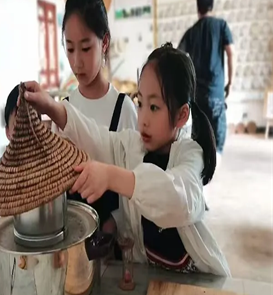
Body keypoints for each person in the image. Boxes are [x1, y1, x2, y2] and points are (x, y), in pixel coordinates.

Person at [23, 43, 230, 276]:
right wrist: (53, 108)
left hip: (196, 281)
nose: (143, 119)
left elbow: (180, 199)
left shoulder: (190, 154)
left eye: (154, 107)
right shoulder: (133, 146)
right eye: (140, 103)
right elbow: (97, 137)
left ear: (181, 115)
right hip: (151, 278)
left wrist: (112, 177)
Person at [56, 0, 138, 233]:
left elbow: (137, 191)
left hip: (114, 242)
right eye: (70, 48)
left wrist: (115, 223)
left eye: (85, 48)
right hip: (72, 235)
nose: (76, 62)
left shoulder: (124, 110)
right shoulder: (64, 110)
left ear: (104, 43)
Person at [178, 0, 234, 156]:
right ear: (212, 6)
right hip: (216, 93)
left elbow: (178, 56)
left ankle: (202, 166)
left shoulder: (191, 32)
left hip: (197, 96)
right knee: (218, 140)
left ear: (198, 8)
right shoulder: (221, 26)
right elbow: (231, 53)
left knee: (200, 138)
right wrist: (230, 82)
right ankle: (216, 162)